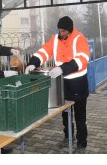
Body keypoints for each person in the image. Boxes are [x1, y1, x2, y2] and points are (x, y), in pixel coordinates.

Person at [25, 16, 90, 152]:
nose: (60, 34)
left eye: (63, 31)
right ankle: (68, 137)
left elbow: (82, 59)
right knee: (65, 113)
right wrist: (33, 63)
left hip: (78, 84)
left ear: (70, 31)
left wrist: (63, 68)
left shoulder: (79, 39)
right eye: (59, 31)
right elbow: (44, 52)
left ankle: (81, 143)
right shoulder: (55, 39)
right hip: (63, 83)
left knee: (80, 117)